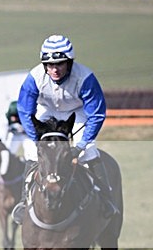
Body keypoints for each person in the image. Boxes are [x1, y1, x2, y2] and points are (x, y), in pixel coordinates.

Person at [11, 34, 118, 224]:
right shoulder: (34, 77)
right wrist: (36, 139)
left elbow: (97, 115)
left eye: (60, 64)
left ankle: (105, 198)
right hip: (47, 110)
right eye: (50, 65)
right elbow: (24, 111)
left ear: (69, 62)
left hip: (77, 112)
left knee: (89, 150)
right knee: (30, 151)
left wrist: (80, 146)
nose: (54, 69)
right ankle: (22, 202)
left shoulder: (85, 78)